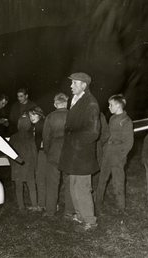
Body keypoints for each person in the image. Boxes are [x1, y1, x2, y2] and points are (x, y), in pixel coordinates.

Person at [58, 72, 100, 232]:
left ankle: (90, 222)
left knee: (82, 187)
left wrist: (75, 143)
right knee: (74, 186)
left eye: (74, 83)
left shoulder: (90, 103)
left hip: (82, 154)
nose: (71, 86)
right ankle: (81, 216)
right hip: (75, 154)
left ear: (84, 85)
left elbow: (93, 131)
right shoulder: (78, 100)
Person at [95, 94, 134, 213]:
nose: (109, 107)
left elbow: (129, 142)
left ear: (118, 105)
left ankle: (120, 208)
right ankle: (97, 206)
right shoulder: (112, 119)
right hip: (108, 153)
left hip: (117, 155)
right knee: (102, 179)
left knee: (118, 181)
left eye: (111, 105)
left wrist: (120, 156)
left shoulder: (126, 121)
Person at [42, 93, 74, 216]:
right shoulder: (72, 116)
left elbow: (46, 137)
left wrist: (47, 151)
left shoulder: (50, 117)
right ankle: (69, 211)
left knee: (52, 182)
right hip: (68, 150)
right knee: (69, 182)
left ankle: (50, 211)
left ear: (55, 104)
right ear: (67, 103)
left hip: (54, 151)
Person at [8, 117, 39, 210]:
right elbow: (34, 152)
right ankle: (34, 206)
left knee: (18, 187)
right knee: (32, 187)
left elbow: (9, 153)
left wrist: (12, 164)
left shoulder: (13, 137)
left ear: (18, 125)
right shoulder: (30, 137)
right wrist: (35, 165)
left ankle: (21, 206)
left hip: (17, 166)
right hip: (29, 166)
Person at [26, 106, 47, 211]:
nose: (31, 117)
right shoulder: (40, 124)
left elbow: (37, 144)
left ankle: (42, 204)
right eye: (30, 115)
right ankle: (45, 203)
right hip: (44, 154)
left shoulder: (39, 126)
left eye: (34, 114)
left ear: (39, 114)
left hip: (42, 154)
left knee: (40, 178)